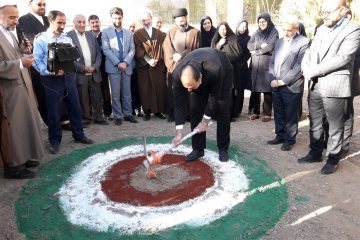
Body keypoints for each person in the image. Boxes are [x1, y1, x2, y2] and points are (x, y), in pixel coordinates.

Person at [298, 0, 360, 174]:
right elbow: (310, 51)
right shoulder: (321, 28)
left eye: (329, 12)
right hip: (315, 84)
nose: (325, 15)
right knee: (315, 121)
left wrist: (314, 70)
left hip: (335, 84)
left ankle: (333, 158)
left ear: (342, 10)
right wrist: (305, 67)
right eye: (323, 12)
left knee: (335, 125)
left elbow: (343, 57)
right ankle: (315, 152)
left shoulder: (353, 29)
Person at [33, 10, 94, 154]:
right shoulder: (41, 39)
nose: (62, 26)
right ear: (50, 21)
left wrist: (73, 56)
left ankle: (79, 135)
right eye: (59, 23)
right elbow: (37, 61)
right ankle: (54, 141)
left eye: (64, 23)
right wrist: (49, 71)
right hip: (51, 80)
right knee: (54, 112)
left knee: (75, 107)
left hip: (68, 77)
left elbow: (75, 58)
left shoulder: (67, 38)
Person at [0, 3, 45, 178]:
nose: (15, 21)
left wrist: (23, 51)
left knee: (26, 123)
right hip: (8, 91)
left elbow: (13, 56)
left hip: (22, 87)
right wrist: (20, 63)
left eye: (17, 17)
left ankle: (26, 157)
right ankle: (14, 167)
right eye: (11, 17)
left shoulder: (10, 33)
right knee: (14, 128)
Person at [171, 48, 233, 162]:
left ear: (200, 77)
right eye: (187, 88)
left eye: (192, 87)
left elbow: (214, 98)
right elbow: (179, 104)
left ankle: (223, 148)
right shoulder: (176, 75)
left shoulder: (215, 69)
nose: (189, 91)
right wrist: (179, 133)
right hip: (201, 75)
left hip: (223, 70)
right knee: (195, 109)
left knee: (222, 108)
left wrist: (205, 121)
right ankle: (198, 149)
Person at [267, 15, 310, 151]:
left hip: (291, 85)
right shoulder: (279, 42)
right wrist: (272, 78)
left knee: (291, 114)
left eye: (289, 30)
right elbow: (272, 62)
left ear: (296, 29)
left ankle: (289, 139)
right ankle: (279, 135)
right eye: (284, 29)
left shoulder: (304, 42)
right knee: (278, 111)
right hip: (276, 83)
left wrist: (282, 81)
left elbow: (299, 66)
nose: (286, 32)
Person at [67, 15, 108, 125]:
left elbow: (99, 53)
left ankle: (99, 116)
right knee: (83, 98)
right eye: (79, 22)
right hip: (80, 73)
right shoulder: (68, 36)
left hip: (94, 71)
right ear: (74, 23)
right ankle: (86, 118)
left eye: (84, 22)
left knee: (97, 96)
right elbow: (69, 58)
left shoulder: (91, 35)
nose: (82, 24)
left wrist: (95, 66)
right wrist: (83, 68)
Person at [163, 7, 201, 122]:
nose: (181, 22)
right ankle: (172, 114)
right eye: (178, 20)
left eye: (182, 19)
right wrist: (174, 58)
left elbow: (196, 50)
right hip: (174, 67)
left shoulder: (195, 32)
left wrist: (182, 55)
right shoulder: (171, 32)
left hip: (189, 68)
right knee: (174, 91)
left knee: (189, 91)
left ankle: (188, 115)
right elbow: (166, 47)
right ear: (175, 21)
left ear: (186, 18)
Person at [102, 7, 138, 126]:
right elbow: (106, 49)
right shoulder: (106, 32)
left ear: (122, 17)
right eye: (115, 18)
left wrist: (126, 62)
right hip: (114, 67)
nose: (118, 20)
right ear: (111, 18)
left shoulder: (128, 33)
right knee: (116, 94)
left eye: (119, 18)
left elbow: (132, 49)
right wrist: (118, 63)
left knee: (127, 93)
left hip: (126, 67)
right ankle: (117, 115)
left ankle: (128, 114)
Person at [16, 0, 49, 125]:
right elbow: (28, 42)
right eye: (39, 4)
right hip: (36, 64)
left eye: (44, 4)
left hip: (53, 63)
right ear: (30, 3)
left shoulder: (48, 19)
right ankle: (50, 121)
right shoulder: (22, 21)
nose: (42, 6)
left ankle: (62, 119)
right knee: (42, 94)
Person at [134, 10, 167, 121]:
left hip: (158, 66)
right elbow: (138, 49)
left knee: (158, 89)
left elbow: (164, 49)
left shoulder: (160, 34)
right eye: (143, 20)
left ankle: (158, 111)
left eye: (147, 19)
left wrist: (157, 60)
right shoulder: (137, 34)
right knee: (145, 90)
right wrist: (149, 60)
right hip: (145, 68)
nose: (145, 22)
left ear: (151, 19)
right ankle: (147, 112)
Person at [247, 12, 279, 122]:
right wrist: (260, 45)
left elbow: (271, 45)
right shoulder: (256, 32)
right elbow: (249, 45)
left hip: (266, 65)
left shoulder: (273, 31)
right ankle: (255, 112)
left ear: (268, 21)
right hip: (256, 66)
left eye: (264, 21)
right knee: (255, 90)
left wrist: (258, 51)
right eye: (260, 22)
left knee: (267, 91)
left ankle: (267, 113)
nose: (262, 24)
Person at [210, 21, 242, 121]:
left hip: (231, 70)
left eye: (224, 29)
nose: (222, 31)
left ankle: (229, 114)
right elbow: (211, 53)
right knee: (219, 92)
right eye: (220, 29)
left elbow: (236, 54)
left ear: (227, 29)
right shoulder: (216, 40)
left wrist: (224, 54)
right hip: (219, 71)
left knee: (230, 92)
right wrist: (219, 45)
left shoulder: (233, 39)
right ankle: (217, 113)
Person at [88, 14, 112, 120]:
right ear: (89, 24)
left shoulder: (105, 35)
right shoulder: (87, 36)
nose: (95, 24)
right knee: (91, 91)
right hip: (91, 68)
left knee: (105, 90)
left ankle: (107, 112)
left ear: (99, 22)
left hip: (103, 67)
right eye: (93, 22)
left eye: (97, 22)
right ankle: (93, 112)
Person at [235, 19, 252, 116]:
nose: (243, 28)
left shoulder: (249, 38)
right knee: (234, 88)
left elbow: (248, 53)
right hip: (233, 66)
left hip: (242, 67)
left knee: (240, 89)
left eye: (245, 26)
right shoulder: (233, 37)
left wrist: (241, 62)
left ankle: (238, 110)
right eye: (241, 26)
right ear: (238, 26)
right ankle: (233, 108)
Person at [128, 21, 142, 117]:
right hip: (128, 68)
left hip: (137, 68)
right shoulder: (126, 37)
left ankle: (138, 109)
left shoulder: (137, 37)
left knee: (137, 89)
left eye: (133, 26)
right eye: (130, 26)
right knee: (129, 90)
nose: (132, 28)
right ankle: (131, 109)